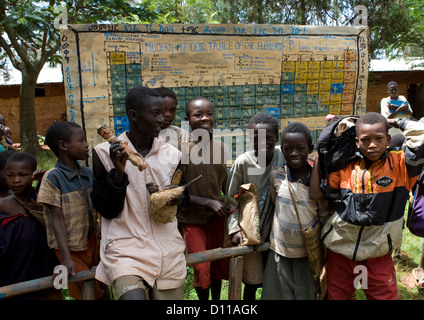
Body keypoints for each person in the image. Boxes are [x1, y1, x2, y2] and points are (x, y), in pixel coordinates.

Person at [310, 112, 424, 300]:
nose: (372, 144)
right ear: (357, 142)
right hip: (341, 252)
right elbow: (316, 193)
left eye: (379, 138)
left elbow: (421, 132)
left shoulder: (402, 166)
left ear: (388, 139)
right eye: (365, 139)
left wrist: (392, 121)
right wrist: (318, 156)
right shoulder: (347, 168)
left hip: (378, 254)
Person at [91, 85, 187, 300]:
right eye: (155, 114)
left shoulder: (173, 155)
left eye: (163, 112)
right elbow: (106, 209)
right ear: (133, 115)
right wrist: (117, 174)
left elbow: (182, 201)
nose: (162, 119)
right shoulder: (103, 154)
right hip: (126, 249)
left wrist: (177, 198)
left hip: (167, 249)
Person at [261, 122, 327, 300]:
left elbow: (323, 217)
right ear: (282, 150)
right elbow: (274, 208)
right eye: (288, 149)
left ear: (310, 149)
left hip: (308, 256)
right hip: (279, 253)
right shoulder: (277, 176)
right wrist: (262, 238)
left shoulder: (318, 185)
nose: (294, 153)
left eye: (300, 148)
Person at [37, 121, 102, 300]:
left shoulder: (87, 173)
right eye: (81, 140)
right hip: (69, 249)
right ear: (63, 145)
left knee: (100, 286)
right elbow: (56, 219)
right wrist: (66, 259)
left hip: (91, 243)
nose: (86, 144)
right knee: (90, 294)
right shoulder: (53, 178)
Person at [226, 112, 284, 300]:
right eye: (256, 138)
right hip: (250, 230)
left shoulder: (283, 155)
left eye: (268, 138)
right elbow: (231, 200)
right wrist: (235, 230)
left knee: (275, 281)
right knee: (251, 282)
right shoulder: (243, 162)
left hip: (278, 229)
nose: (262, 143)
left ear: (276, 137)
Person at [178, 96, 229, 300]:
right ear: (187, 119)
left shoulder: (220, 148)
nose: (205, 118)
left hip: (217, 217)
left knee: (217, 266)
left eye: (209, 114)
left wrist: (231, 201)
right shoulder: (179, 150)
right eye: (198, 115)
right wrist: (206, 201)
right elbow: (175, 190)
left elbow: (224, 182)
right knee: (201, 267)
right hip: (192, 218)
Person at [0, 152, 60, 299]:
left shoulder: (40, 198)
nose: (16, 180)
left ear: (33, 174)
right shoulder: (3, 205)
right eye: (10, 175)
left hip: (45, 266)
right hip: (15, 269)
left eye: (23, 175)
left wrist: (43, 182)